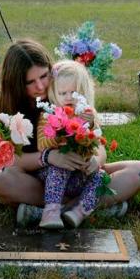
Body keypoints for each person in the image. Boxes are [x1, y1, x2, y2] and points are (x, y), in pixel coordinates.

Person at [0, 39, 140, 226]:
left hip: (80, 173)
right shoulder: (3, 107)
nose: (40, 86)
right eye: (30, 82)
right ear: (15, 83)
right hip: (38, 180)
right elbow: (8, 160)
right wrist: (49, 157)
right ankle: (88, 207)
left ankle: (48, 212)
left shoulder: (63, 91)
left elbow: (95, 141)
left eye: (44, 76)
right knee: (1, 180)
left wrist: (96, 160)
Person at [36, 60, 104, 229]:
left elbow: (96, 143)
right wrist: (59, 132)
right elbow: (41, 144)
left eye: (73, 92)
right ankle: (50, 212)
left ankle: (79, 211)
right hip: (53, 175)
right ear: (53, 93)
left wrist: (92, 127)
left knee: (101, 176)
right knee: (60, 167)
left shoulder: (87, 115)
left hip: (79, 174)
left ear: (83, 93)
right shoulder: (48, 115)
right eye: (62, 92)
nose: (68, 97)